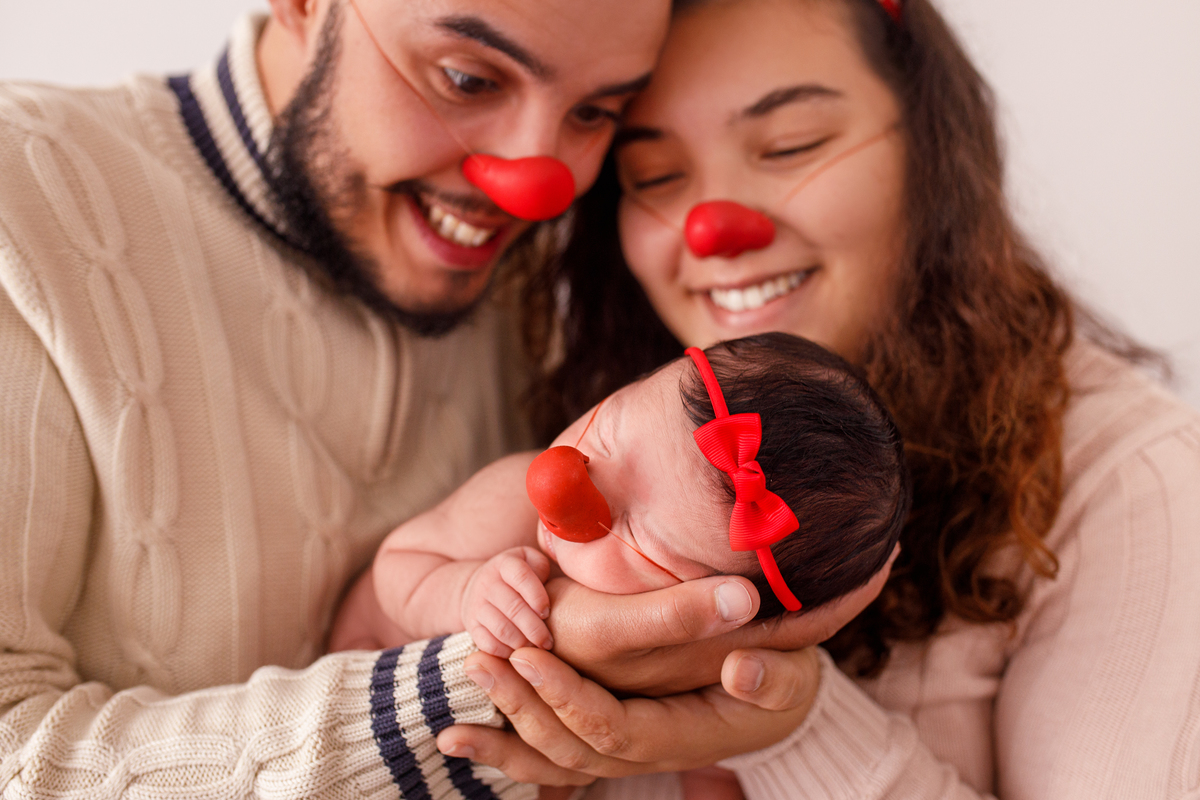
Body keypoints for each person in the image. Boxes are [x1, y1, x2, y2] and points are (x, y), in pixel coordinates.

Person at [0, 0, 895, 796]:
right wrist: (485, 679)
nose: (540, 182)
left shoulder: (564, 290)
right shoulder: (22, 203)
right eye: (467, 76)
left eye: (594, 113)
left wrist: (769, 705)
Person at [428, 0, 1200, 797]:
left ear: (937, 154)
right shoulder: (584, 431)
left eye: (790, 145)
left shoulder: (1145, 485)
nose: (711, 227)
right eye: (654, 176)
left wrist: (791, 729)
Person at [332, 332, 909, 799]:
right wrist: (465, 593)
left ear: (723, 612)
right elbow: (396, 568)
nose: (577, 486)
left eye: (639, 537)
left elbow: (699, 757)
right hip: (361, 725)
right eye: (608, 431)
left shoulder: (708, 666)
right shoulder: (507, 503)